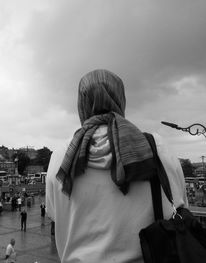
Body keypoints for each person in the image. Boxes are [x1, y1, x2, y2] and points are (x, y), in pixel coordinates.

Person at [45, 69, 188, 263]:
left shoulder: (61, 158)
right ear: (121, 99)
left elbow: (55, 215)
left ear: (81, 103)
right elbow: (180, 207)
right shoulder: (156, 148)